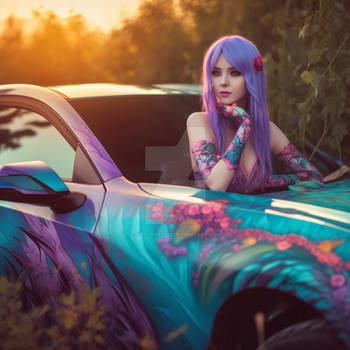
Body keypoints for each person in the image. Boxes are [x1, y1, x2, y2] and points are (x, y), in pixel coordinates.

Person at [187, 35, 323, 193]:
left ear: (252, 77)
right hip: (212, 217)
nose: (223, 81)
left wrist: (266, 182)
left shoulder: (266, 130)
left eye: (235, 73)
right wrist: (244, 125)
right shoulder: (198, 122)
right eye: (216, 73)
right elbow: (217, 184)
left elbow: (313, 176)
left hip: (257, 217)